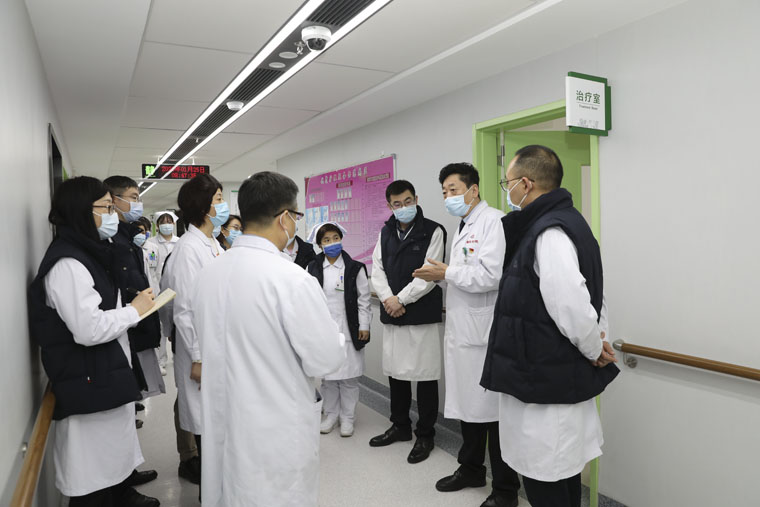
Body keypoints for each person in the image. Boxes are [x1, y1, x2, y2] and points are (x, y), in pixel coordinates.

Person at [191, 171, 347, 506]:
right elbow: (325, 359)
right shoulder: (291, 279)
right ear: (285, 218)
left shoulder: (209, 273)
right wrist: (335, 337)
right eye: (296, 216)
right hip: (274, 428)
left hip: (224, 419)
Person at [480, 145, 619, 507]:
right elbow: (594, 296)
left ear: (526, 184)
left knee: (546, 479)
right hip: (549, 377)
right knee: (560, 475)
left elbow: (571, 304)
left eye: (507, 182)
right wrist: (598, 339)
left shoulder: (548, 232)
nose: (507, 189)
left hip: (544, 381)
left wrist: (594, 348)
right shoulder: (566, 222)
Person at [28, 176, 159, 507]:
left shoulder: (89, 254)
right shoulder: (68, 264)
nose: (113, 214)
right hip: (88, 386)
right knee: (92, 488)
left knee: (108, 475)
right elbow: (88, 329)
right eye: (107, 207)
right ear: (81, 212)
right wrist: (134, 310)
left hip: (102, 379)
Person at [414, 163, 520, 507]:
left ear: (473, 190)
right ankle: (471, 469)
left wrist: (447, 273)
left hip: (484, 335)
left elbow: (491, 276)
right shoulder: (464, 224)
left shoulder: (494, 222)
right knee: (469, 408)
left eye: (454, 190)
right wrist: (444, 275)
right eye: (444, 191)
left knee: (492, 413)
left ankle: (505, 489)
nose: (448, 197)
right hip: (465, 332)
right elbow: (464, 274)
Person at [368, 180, 446, 465]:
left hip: (420, 312)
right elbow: (377, 269)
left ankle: (425, 434)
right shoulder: (386, 231)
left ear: (416, 199)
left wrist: (400, 299)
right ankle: (400, 426)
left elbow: (430, 274)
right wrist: (389, 299)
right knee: (396, 373)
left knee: (425, 376)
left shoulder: (433, 230)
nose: (403, 207)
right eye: (397, 204)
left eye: (408, 201)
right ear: (389, 206)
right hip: (393, 312)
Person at [161, 173, 226, 497]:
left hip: (218, 346)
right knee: (206, 428)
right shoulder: (188, 249)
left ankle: (218, 493)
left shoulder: (212, 243)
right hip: (201, 352)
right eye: (218, 200)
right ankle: (209, 497)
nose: (223, 206)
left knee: (217, 426)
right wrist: (198, 357)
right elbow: (184, 310)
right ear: (203, 207)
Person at [103, 176, 161, 484]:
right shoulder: (111, 240)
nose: (138, 203)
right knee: (123, 407)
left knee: (129, 406)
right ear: (114, 201)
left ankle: (127, 473)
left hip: (135, 322)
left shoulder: (127, 237)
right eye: (133, 197)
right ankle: (123, 480)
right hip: (125, 325)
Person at [306, 222, 371, 437]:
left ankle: (348, 418)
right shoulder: (312, 268)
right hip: (325, 332)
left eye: (335, 238)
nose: (332, 243)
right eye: (326, 240)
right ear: (319, 245)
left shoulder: (355, 268)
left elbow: (364, 299)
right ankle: (331, 415)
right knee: (329, 378)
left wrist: (364, 325)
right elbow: (308, 301)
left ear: (341, 239)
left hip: (350, 329)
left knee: (349, 378)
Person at [144, 211, 180, 375]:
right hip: (158, 288)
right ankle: (161, 360)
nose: (166, 225)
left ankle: (176, 355)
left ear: (174, 223)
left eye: (169, 221)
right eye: (163, 222)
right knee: (160, 325)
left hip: (176, 287)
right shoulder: (151, 243)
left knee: (175, 322)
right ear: (157, 225)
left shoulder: (180, 242)